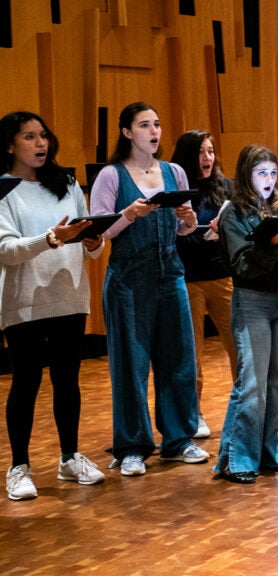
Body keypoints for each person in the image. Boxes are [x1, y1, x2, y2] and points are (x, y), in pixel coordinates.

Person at [90, 102, 207, 476]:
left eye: (156, 124)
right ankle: (132, 447)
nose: (154, 131)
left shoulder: (174, 172)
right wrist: (128, 215)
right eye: (144, 125)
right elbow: (98, 232)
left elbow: (184, 230)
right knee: (131, 365)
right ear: (127, 132)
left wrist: (188, 220)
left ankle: (178, 440)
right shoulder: (111, 175)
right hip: (128, 280)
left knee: (179, 360)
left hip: (170, 275)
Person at [0, 111, 106, 500]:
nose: (40, 143)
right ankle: (18, 467)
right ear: (10, 145)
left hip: (69, 294)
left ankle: (69, 458)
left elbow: (89, 242)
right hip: (25, 299)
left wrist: (94, 242)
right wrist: (50, 238)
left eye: (43, 135)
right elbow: (6, 250)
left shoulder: (67, 183)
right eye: (29, 136)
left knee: (67, 379)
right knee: (26, 381)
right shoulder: (4, 191)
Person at [214, 145, 278, 483]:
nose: (269, 180)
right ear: (247, 175)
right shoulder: (233, 213)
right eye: (261, 173)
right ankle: (238, 457)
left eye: (272, 172)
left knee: (276, 383)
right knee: (251, 385)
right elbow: (242, 265)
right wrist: (271, 244)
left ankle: (270, 448)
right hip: (252, 302)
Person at [171, 130, 236, 440]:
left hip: (222, 275)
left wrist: (223, 231)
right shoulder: (175, 190)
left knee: (240, 346)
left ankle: (248, 407)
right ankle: (193, 413)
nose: (207, 158)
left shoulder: (226, 188)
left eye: (210, 151)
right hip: (187, 280)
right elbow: (172, 236)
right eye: (201, 152)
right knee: (191, 353)